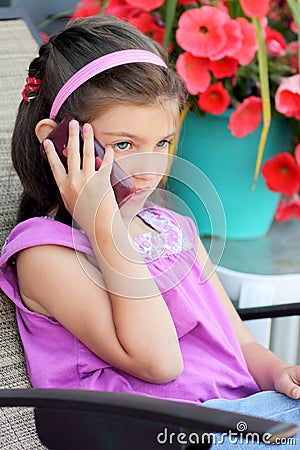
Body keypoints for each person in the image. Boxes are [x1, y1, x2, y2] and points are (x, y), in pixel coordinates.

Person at [0, 13, 299, 448]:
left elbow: (242, 348)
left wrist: (279, 373)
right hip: (160, 433)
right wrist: (104, 222)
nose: (148, 169)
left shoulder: (173, 227)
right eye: (124, 145)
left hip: (245, 416)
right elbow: (159, 362)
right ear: (59, 143)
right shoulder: (46, 253)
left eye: (162, 144)